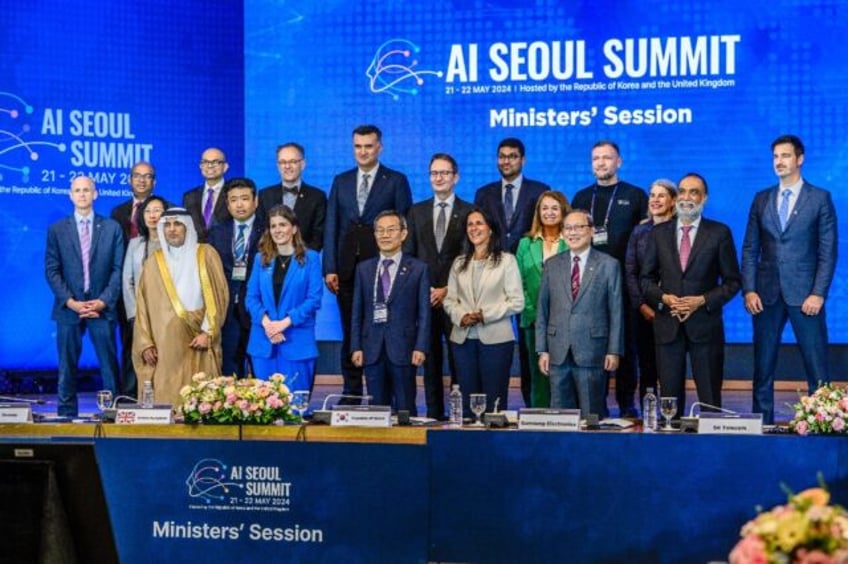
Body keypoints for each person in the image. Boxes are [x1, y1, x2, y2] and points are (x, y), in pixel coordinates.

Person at [741, 134, 837, 424]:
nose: (779, 162)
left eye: (784, 156)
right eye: (775, 157)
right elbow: (749, 249)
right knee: (763, 366)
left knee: (816, 365)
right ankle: (762, 424)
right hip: (766, 295)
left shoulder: (820, 198)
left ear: (800, 159)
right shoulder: (761, 199)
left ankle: (822, 424)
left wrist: (818, 293)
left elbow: (827, 251)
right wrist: (749, 290)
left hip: (806, 295)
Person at [323, 124, 412, 404]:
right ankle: (350, 393)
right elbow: (332, 225)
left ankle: (383, 396)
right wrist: (330, 267)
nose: (363, 151)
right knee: (351, 331)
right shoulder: (341, 180)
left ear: (379, 148)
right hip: (348, 270)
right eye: (358, 146)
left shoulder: (396, 180)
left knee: (384, 330)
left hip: (385, 270)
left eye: (368, 146)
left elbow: (404, 225)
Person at [640, 173, 741, 416]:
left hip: (705, 325)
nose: (687, 197)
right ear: (675, 199)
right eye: (683, 191)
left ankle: (711, 449)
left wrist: (702, 301)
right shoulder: (657, 233)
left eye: (694, 192)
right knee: (669, 401)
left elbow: (733, 282)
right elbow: (646, 279)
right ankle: (670, 447)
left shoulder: (719, 233)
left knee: (709, 399)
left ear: (704, 197)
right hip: (668, 325)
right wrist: (664, 299)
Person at [571, 140, 647, 418]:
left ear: (619, 162)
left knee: (626, 347)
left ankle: (627, 404)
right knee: (592, 345)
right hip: (589, 284)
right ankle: (594, 405)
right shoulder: (580, 198)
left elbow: (645, 241)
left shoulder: (636, 195)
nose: (601, 163)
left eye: (607, 158)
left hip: (625, 284)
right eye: (596, 159)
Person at [474, 137, 550, 408]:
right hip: (493, 277)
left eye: (513, 156)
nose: (506, 161)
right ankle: (494, 404)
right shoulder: (484, 193)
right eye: (502, 156)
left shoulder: (540, 190)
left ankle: (533, 405)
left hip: (530, 277)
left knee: (531, 344)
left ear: (523, 160)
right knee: (495, 342)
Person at [132, 208, 229, 406]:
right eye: (167, 225)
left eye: (177, 224)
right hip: (164, 345)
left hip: (198, 340)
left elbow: (219, 297)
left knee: (201, 398)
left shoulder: (206, 254)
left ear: (188, 227)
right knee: (165, 397)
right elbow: (142, 306)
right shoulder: (153, 262)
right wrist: (145, 342)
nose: (172, 230)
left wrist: (208, 332)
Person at [45, 175, 124, 416]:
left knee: (109, 366)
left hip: (102, 307)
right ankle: (66, 414)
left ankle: (112, 413)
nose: (81, 194)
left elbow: (118, 269)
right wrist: (71, 302)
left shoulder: (112, 228)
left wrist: (102, 301)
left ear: (95, 194)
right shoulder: (57, 229)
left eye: (86, 190)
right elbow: (51, 269)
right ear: (70, 195)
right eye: (77, 190)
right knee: (66, 367)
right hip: (69, 308)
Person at [403, 153, 472, 420]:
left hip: (457, 298)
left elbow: (468, 257)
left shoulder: (469, 212)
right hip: (425, 297)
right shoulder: (415, 211)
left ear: (456, 177)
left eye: (444, 173)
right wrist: (428, 289)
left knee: (459, 358)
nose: (439, 178)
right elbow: (409, 256)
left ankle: (461, 413)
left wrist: (447, 289)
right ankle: (433, 411)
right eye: (434, 173)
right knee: (429, 359)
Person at [536, 209, 623, 418]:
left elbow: (616, 311)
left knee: (592, 414)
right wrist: (542, 350)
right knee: (559, 415)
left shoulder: (609, 265)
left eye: (579, 227)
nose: (572, 233)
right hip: (557, 351)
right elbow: (543, 309)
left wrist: (614, 350)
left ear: (591, 231)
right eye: (568, 228)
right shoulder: (552, 265)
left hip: (593, 350)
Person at [443, 207, 524, 417]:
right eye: (470, 224)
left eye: (479, 223)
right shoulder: (459, 263)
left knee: (493, 403)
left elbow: (517, 302)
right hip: (462, 340)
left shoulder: (507, 261)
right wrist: (461, 315)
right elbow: (450, 300)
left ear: (490, 229)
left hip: (496, 340)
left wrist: (483, 314)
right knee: (467, 401)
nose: (474, 228)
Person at [351, 211, 430, 413]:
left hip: (404, 348)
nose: (385, 235)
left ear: (403, 234)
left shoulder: (418, 269)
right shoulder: (363, 269)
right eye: (380, 230)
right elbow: (357, 313)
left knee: (405, 408)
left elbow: (424, 313)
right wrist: (356, 347)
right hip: (371, 348)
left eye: (391, 230)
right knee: (376, 410)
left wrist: (420, 346)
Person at [245, 205, 323, 393]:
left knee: (294, 410)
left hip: (296, 342)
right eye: (273, 226)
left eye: (283, 224)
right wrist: (268, 324)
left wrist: (284, 323)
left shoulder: (310, 258)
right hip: (263, 343)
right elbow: (251, 297)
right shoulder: (260, 259)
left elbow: (314, 299)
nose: (277, 230)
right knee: (264, 410)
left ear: (294, 228)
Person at [111, 160, 163, 396]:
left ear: (154, 181)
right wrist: (134, 312)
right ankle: (129, 397)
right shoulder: (118, 212)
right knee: (131, 348)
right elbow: (125, 276)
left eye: (148, 176)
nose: (142, 180)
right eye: (137, 175)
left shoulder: (169, 215)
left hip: (163, 310)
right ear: (130, 179)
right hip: (129, 304)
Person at [624, 179, 677, 405]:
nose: (655, 200)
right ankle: (649, 412)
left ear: (673, 200)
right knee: (646, 363)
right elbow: (630, 270)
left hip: (673, 308)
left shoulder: (680, 229)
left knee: (671, 363)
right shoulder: (640, 231)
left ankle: (671, 411)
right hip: (643, 309)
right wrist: (642, 305)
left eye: (661, 195)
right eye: (652, 195)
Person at [515, 190, 570, 408]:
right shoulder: (525, 244)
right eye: (545, 208)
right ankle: (539, 419)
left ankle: (565, 418)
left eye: (555, 208)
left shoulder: (572, 241)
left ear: (563, 211)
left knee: (564, 372)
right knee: (537, 374)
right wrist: (536, 314)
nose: (549, 212)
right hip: (533, 321)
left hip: (566, 321)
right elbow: (519, 284)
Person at [207, 178, 265, 377]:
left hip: (259, 308)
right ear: (227, 204)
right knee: (230, 364)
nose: (239, 204)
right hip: (227, 308)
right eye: (234, 200)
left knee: (259, 365)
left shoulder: (268, 230)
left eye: (244, 199)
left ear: (255, 201)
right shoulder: (216, 232)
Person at [121, 195, 167, 396]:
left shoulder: (174, 244)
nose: (152, 215)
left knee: (165, 361)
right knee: (140, 360)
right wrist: (134, 314)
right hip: (140, 315)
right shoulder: (135, 244)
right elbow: (127, 281)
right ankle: (134, 404)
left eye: (157, 211)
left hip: (168, 315)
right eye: (148, 211)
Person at [257, 142, 327, 251]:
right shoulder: (264, 195)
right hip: (271, 260)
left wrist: (300, 257)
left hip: (304, 261)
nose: (287, 166)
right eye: (282, 162)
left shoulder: (317, 197)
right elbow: (261, 231)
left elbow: (319, 236)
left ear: (303, 164)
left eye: (293, 161)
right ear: (278, 166)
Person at [183, 147, 231, 241]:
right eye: (205, 162)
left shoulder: (232, 193)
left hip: (225, 251)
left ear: (225, 167)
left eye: (216, 162)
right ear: (200, 166)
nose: (210, 166)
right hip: (196, 251)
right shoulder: (189, 196)